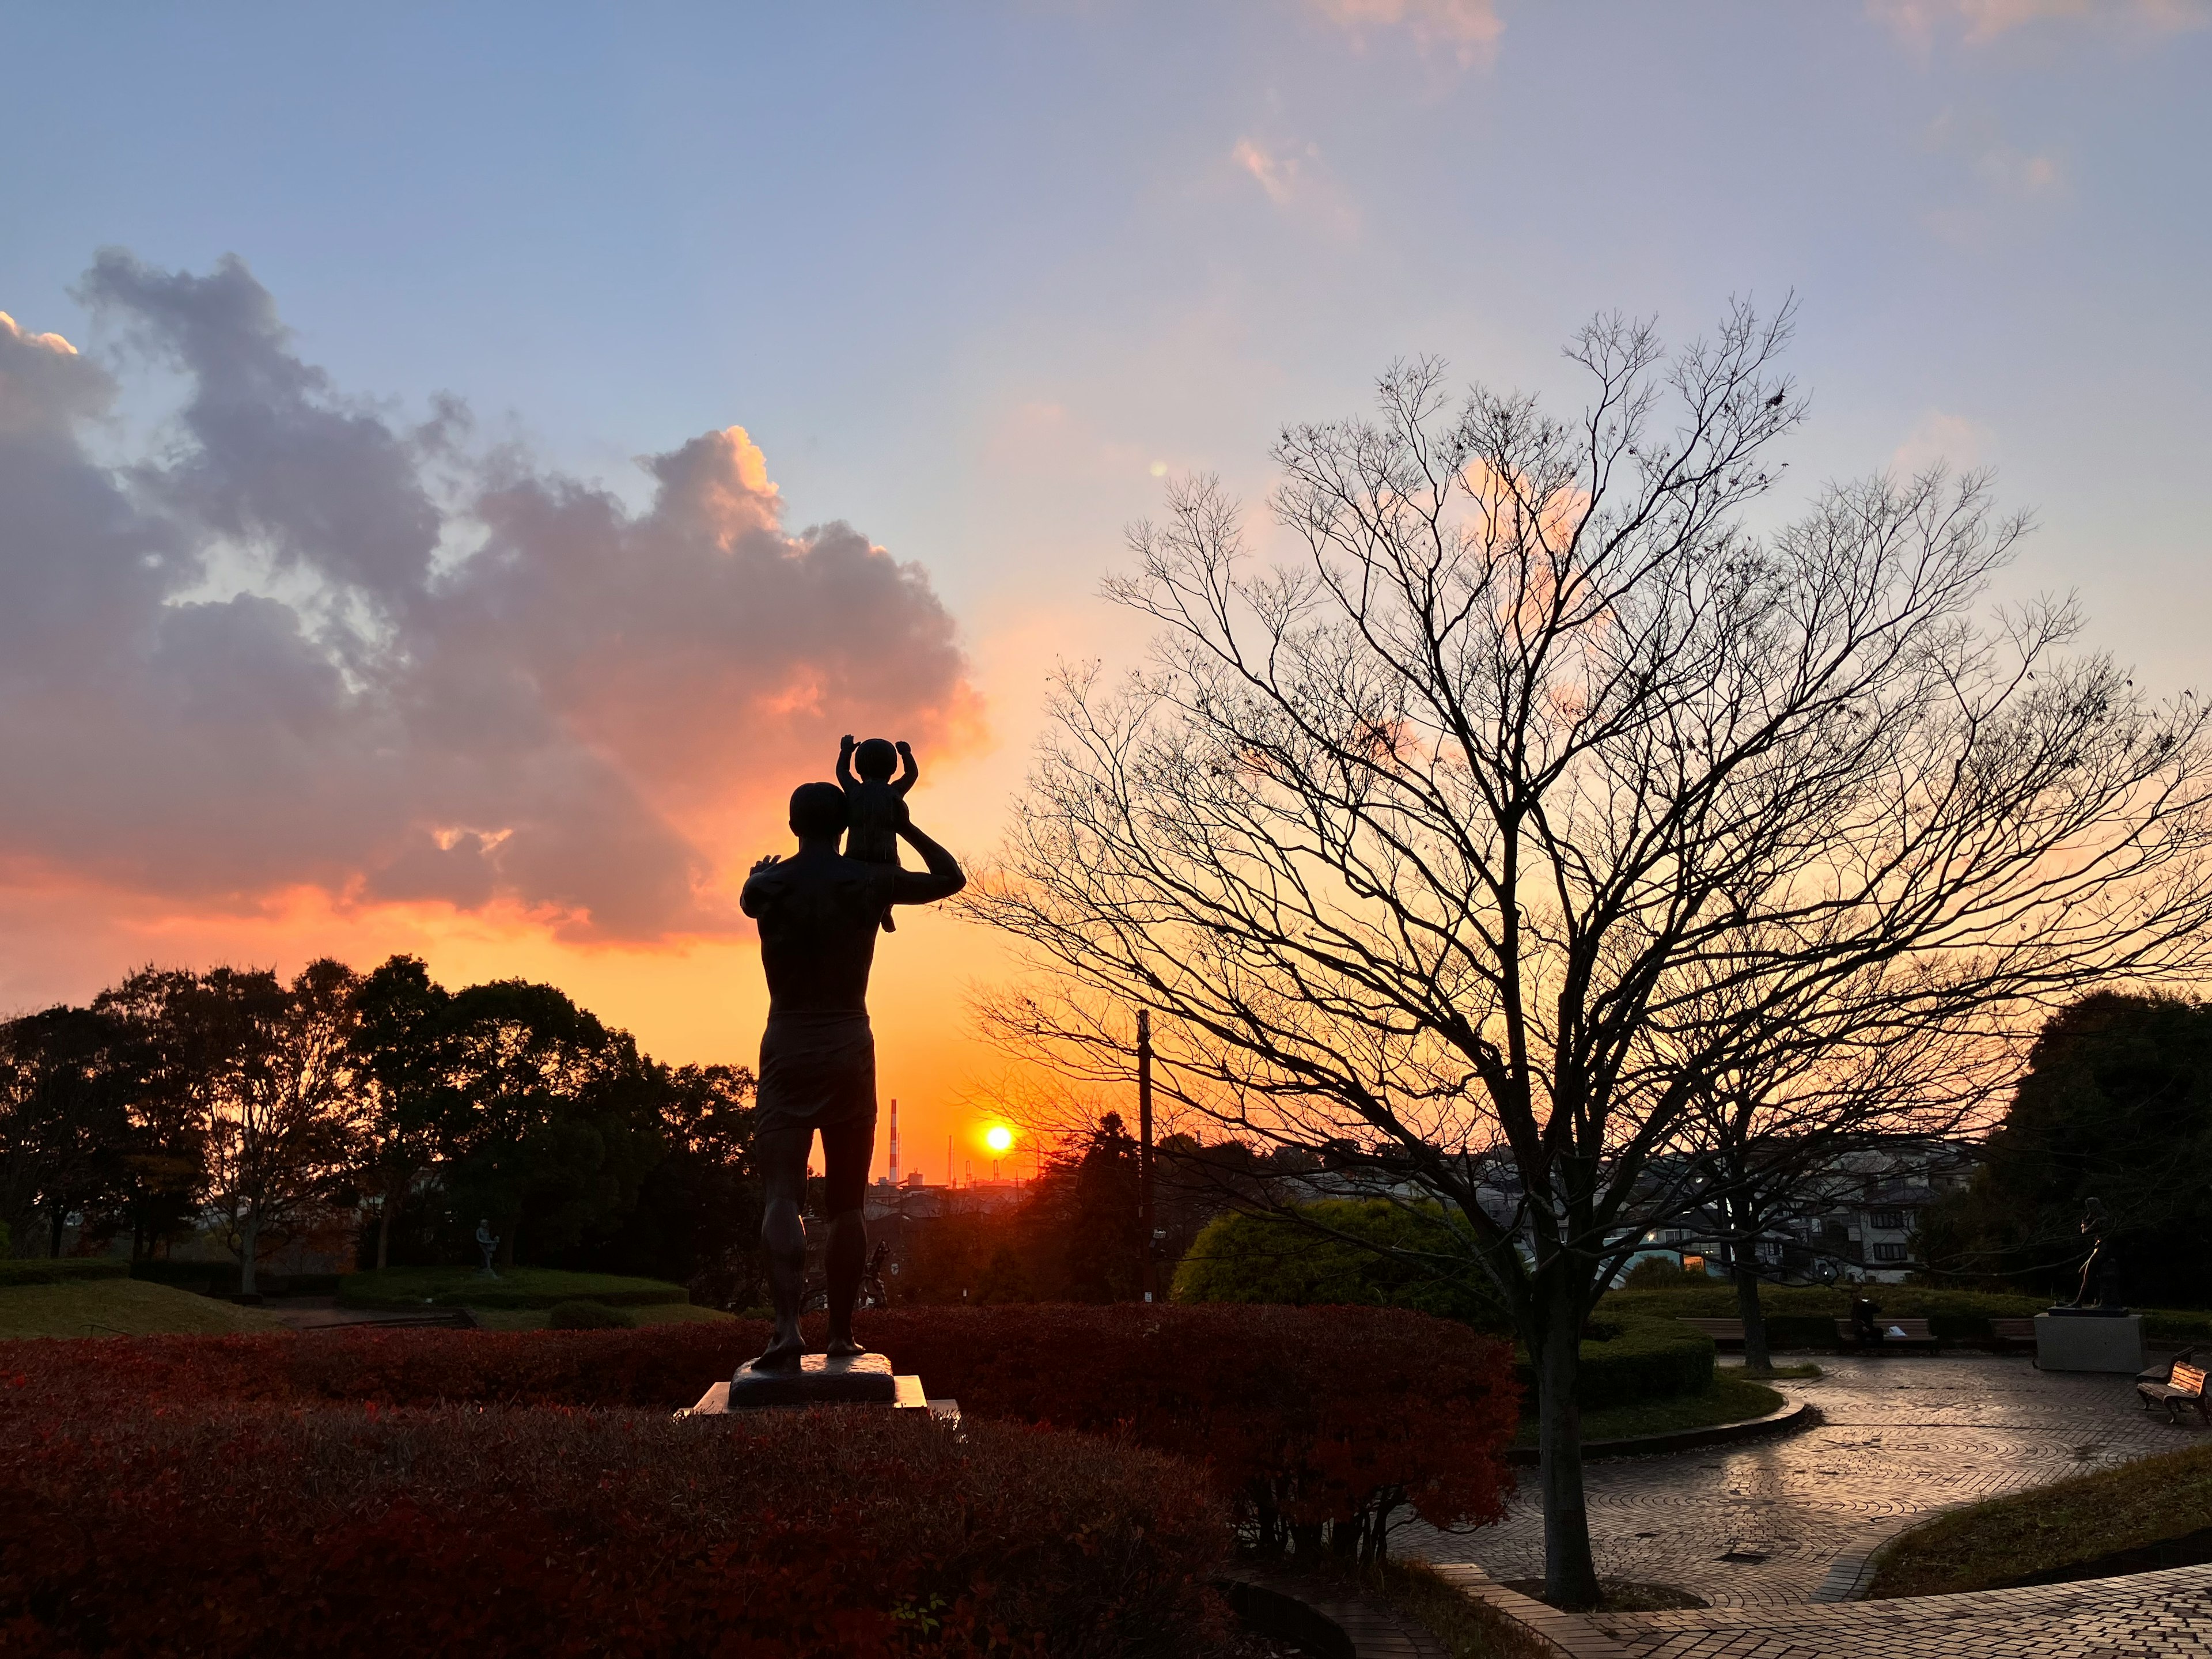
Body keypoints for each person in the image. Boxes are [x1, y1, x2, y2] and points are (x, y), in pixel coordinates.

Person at [740, 774, 964, 1371]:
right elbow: (951, 878)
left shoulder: (766, 887)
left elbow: (750, 895)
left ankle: (786, 1331)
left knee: (782, 1195)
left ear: (793, 824)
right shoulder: (866, 882)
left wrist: (757, 875)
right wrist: (901, 823)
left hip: (787, 1043)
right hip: (846, 1045)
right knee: (847, 1204)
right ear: (842, 826)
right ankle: (841, 1335)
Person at [836, 734, 919, 931]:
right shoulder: (893, 792)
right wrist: (907, 753)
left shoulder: (854, 791)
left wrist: (846, 751)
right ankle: (885, 909)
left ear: (859, 768)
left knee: (846, 881)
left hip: (855, 855)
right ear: (892, 769)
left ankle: (868, 910)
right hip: (886, 856)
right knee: (893, 876)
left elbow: (842, 771)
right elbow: (912, 774)